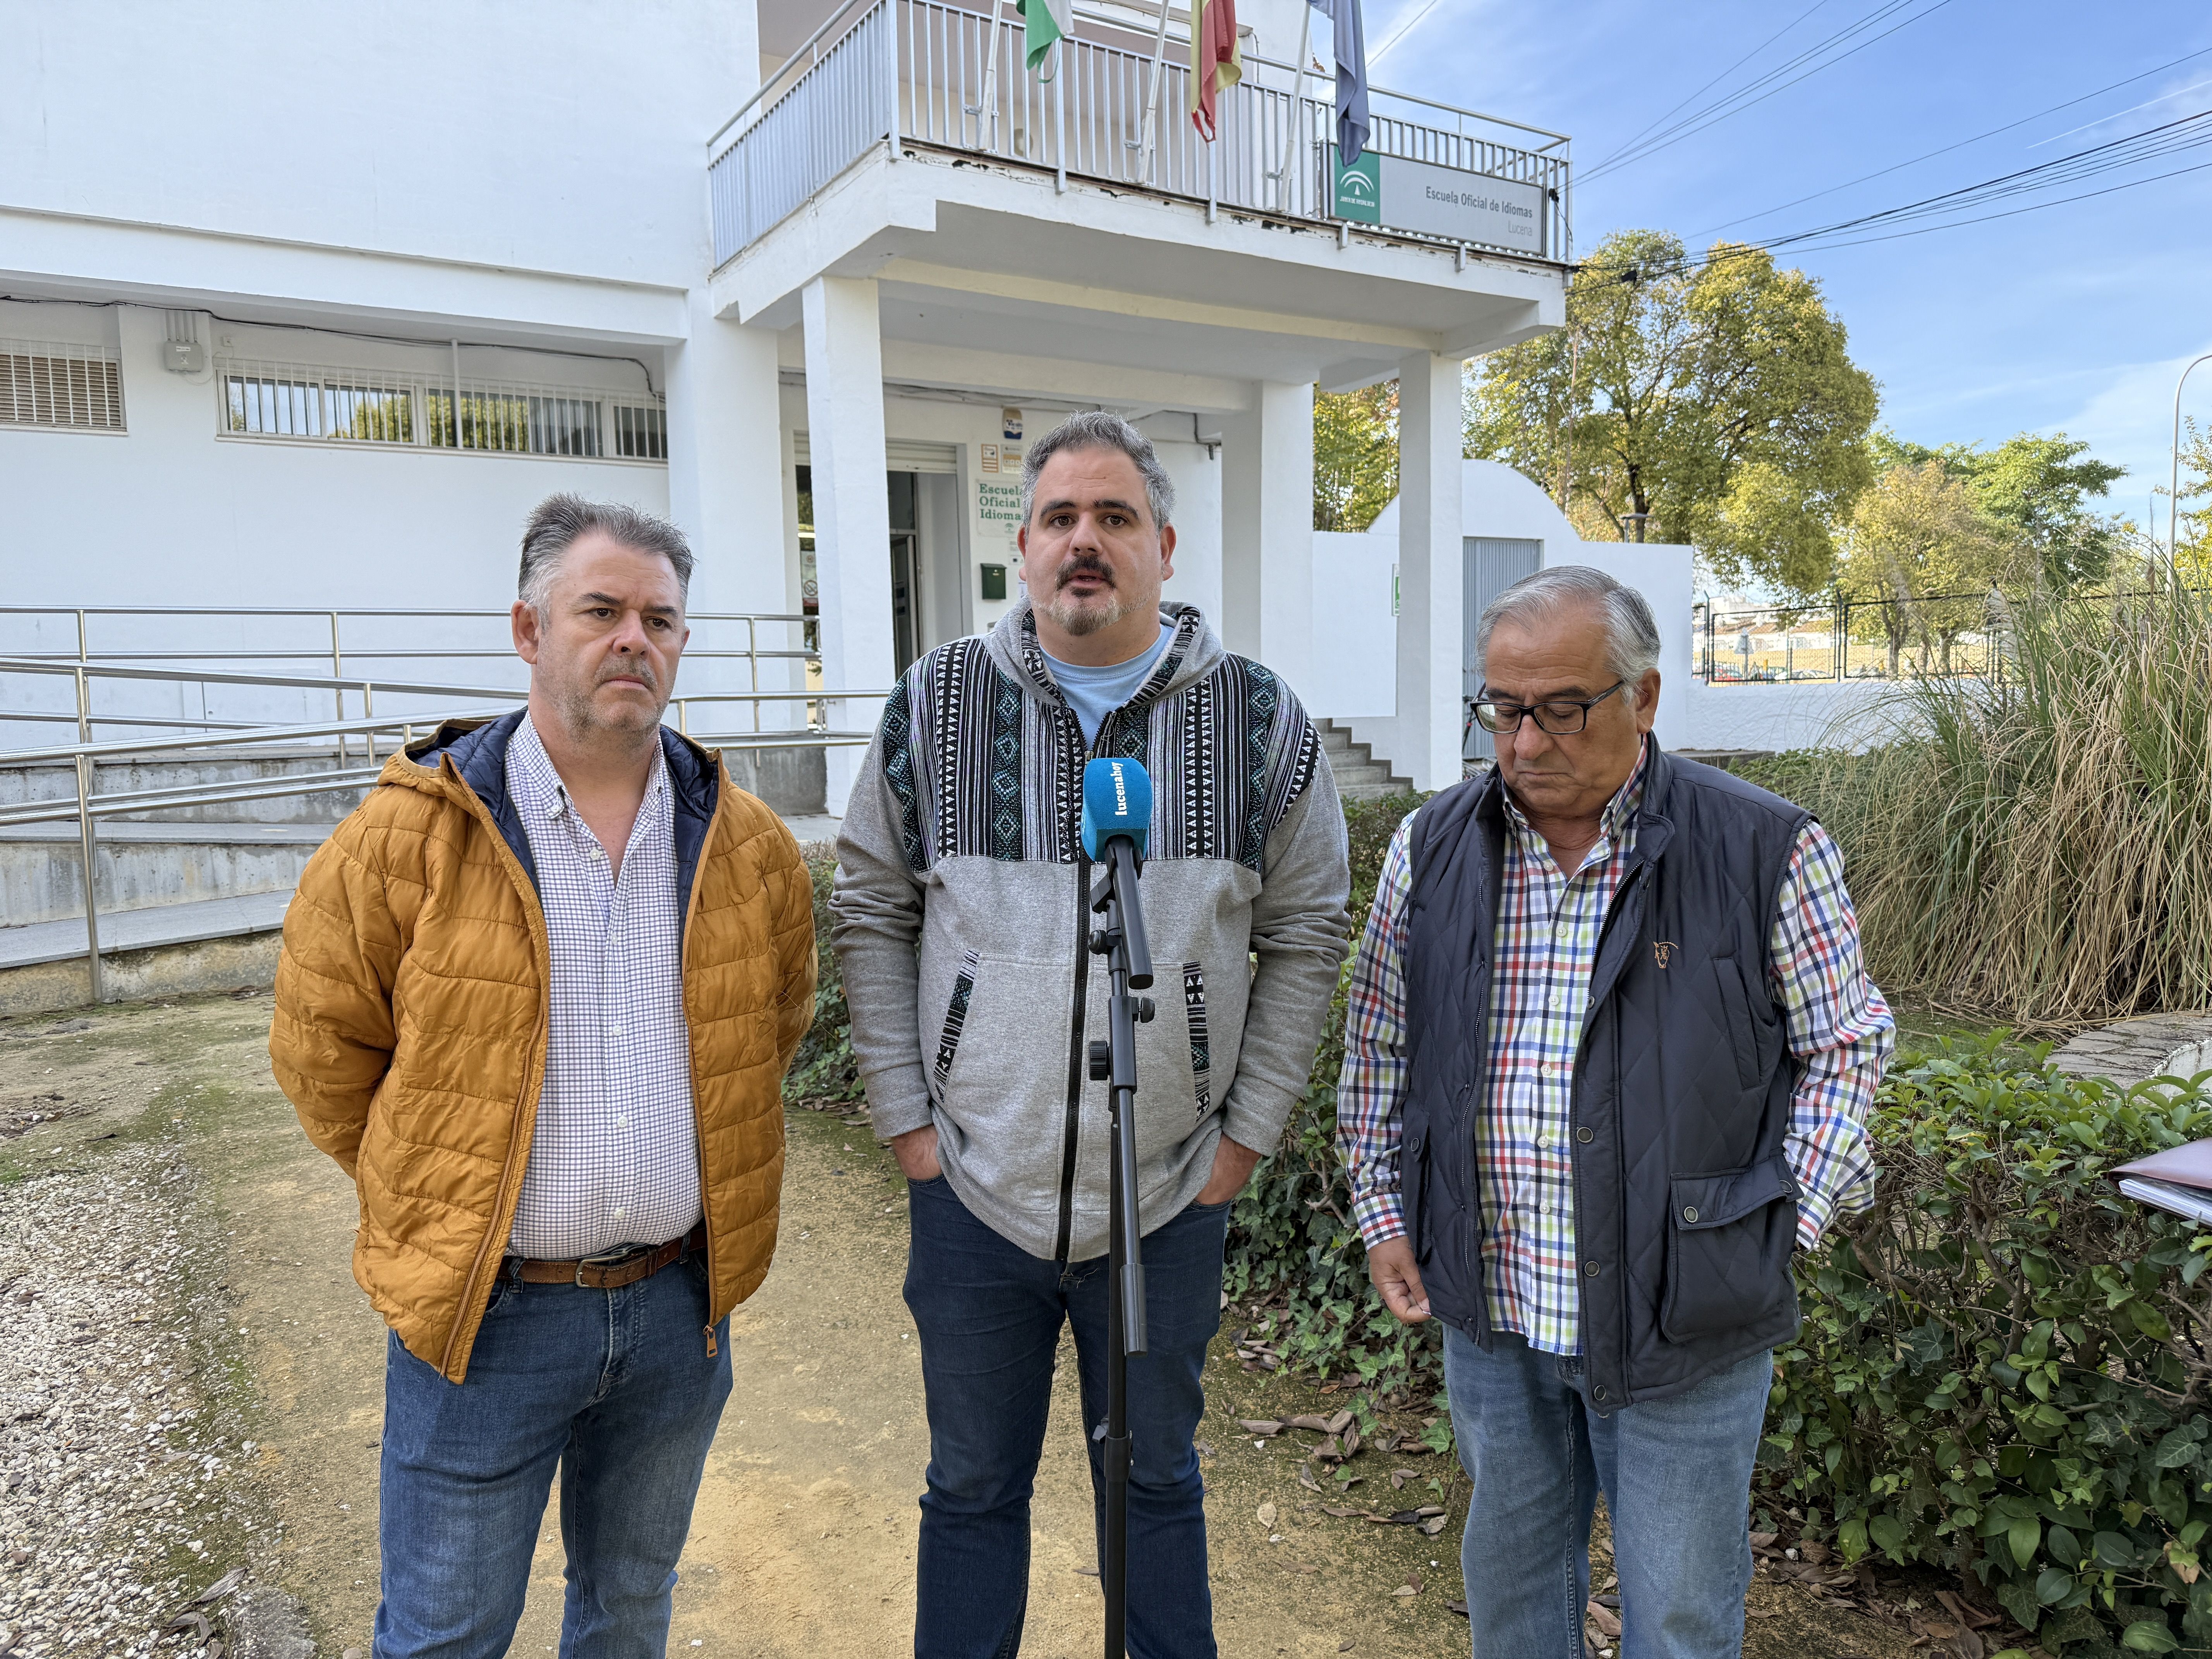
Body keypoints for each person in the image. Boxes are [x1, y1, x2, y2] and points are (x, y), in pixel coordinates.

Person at [831, 411, 1352, 1658]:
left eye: (1115, 517)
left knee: (1156, 1483)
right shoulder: (936, 704)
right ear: (1022, 545)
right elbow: (870, 905)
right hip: (974, 1194)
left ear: (1164, 547)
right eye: (1060, 517)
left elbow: (1308, 929)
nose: (1086, 541)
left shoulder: (1258, 720)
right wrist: (907, 1120)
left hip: (1168, 1195)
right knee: (971, 1488)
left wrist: (1244, 1138)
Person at [268, 495, 817, 1659]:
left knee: (628, 1614)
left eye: (660, 620)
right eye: (601, 611)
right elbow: (323, 1047)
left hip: (675, 1312)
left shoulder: (749, 845)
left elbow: (769, 1028)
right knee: (445, 1635)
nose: (634, 640)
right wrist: (434, 1186)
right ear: (528, 630)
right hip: (487, 1319)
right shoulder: (410, 836)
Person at [1336, 566, 1894, 1659]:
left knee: (1679, 1614)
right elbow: (1380, 1044)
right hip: (1494, 1302)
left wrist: (1782, 1228)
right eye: (1503, 708)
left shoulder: (1765, 847)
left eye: (1561, 707)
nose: (1525, 741)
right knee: (1512, 1597)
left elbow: (1847, 1048)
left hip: (1686, 1314)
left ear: (1643, 698)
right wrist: (1384, 1210)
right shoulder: (1429, 847)